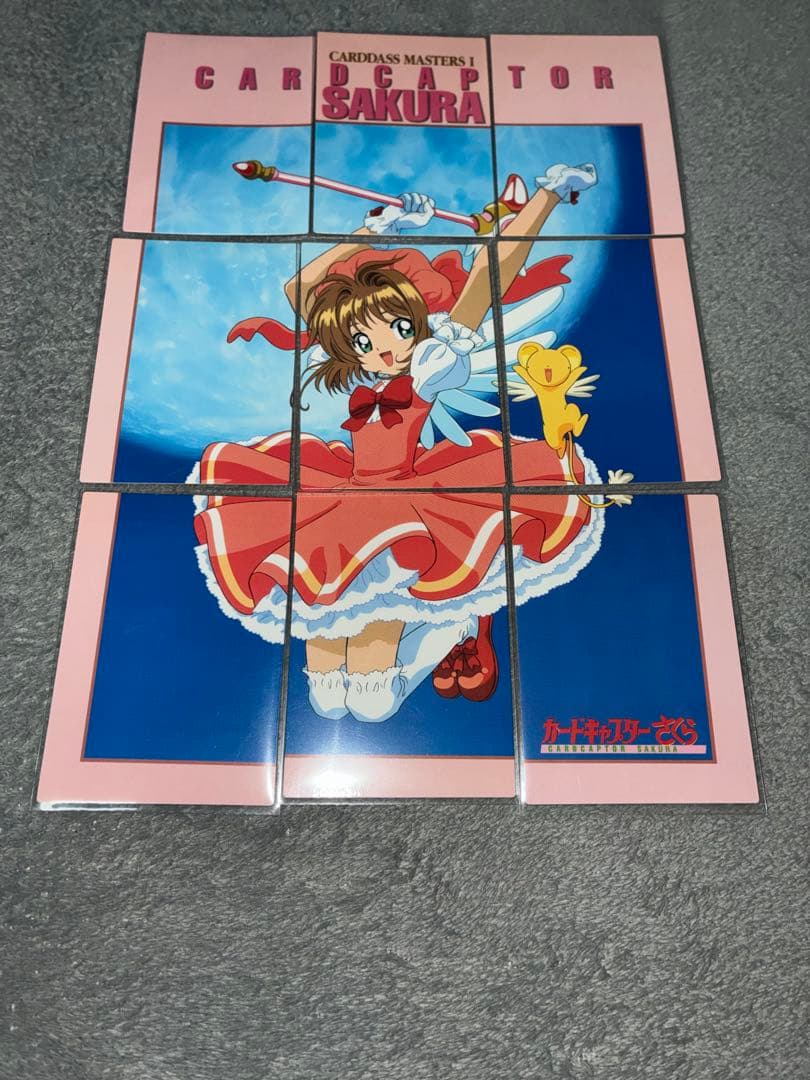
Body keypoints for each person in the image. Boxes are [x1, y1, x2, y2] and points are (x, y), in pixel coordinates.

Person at [193, 165, 605, 722]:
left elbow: (492, 271)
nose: (384, 347)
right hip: (337, 501)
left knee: (372, 704)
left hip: (406, 508)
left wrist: (549, 194)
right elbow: (300, 289)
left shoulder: (434, 358)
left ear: (418, 323)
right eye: (364, 339)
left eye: (400, 328)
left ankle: (458, 623)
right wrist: (374, 230)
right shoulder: (356, 369)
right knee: (325, 700)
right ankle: (450, 623)